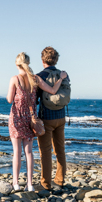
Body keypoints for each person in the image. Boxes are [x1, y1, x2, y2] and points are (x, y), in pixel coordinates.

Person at [6, 52, 66, 191]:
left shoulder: (15, 79)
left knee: (17, 152)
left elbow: (9, 100)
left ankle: (15, 183)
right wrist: (61, 78)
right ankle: (30, 184)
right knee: (29, 153)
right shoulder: (35, 79)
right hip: (31, 119)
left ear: (17, 64)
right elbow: (52, 91)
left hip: (16, 118)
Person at [36, 46, 70, 191]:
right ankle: (60, 180)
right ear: (56, 60)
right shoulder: (64, 75)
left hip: (46, 118)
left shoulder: (40, 76)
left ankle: (46, 183)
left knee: (45, 151)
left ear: (43, 60)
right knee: (60, 150)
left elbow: (36, 98)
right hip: (61, 116)